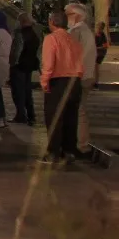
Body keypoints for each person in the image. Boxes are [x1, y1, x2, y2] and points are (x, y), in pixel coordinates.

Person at [39, 9, 84, 163]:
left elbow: (48, 63)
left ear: (52, 22)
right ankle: (69, 150)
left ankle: (53, 152)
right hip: (75, 81)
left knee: (54, 118)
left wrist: (44, 81)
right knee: (71, 117)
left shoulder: (51, 39)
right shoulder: (74, 40)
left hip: (58, 81)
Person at [63, 2, 97, 156]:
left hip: (77, 77)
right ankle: (81, 143)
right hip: (86, 75)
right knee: (80, 110)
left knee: (77, 112)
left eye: (67, 14)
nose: (65, 17)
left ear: (76, 16)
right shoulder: (86, 30)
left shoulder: (76, 31)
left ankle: (80, 145)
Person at [9, 12, 41, 125]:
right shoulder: (35, 33)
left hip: (19, 66)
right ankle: (31, 115)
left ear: (21, 21)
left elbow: (17, 51)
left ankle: (21, 115)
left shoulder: (20, 34)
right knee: (27, 92)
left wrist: (12, 64)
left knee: (18, 92)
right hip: (29, 66)